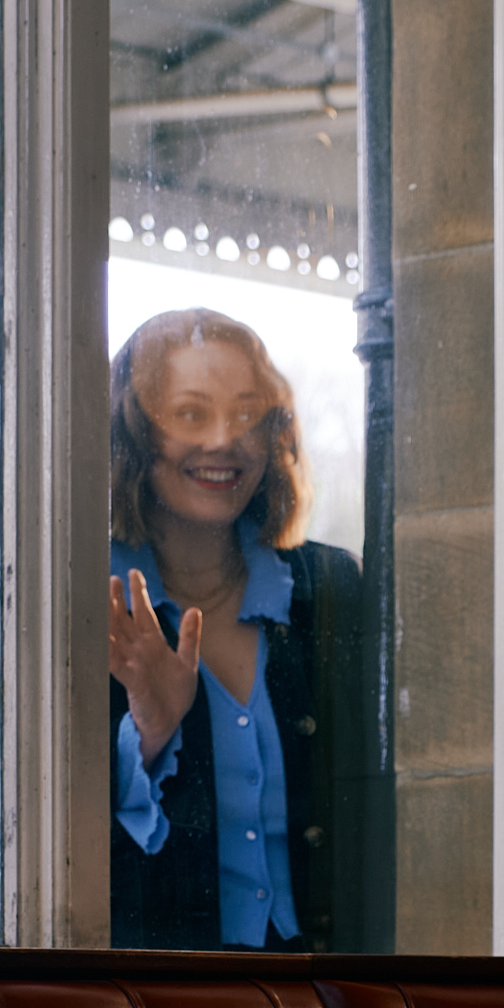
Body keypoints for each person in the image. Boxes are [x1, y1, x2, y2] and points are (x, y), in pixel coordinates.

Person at [107, 306, 359, 950]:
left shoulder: (331, 587)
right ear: (133, 435)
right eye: (191, 414)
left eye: (248, 413)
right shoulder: (81, 600)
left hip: (332, 985)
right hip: (156, 996)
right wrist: (150, 735)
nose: (225, 439)